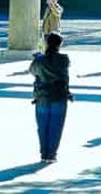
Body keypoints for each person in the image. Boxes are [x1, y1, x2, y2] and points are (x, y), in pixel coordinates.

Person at [30, 32, 73, 163]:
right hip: (59, 96)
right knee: (56, 126)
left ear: (46, 43)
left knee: (42, 127)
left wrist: (38, 57)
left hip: (42, 96)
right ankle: (52, 154)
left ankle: (44, 153)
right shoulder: (64, 59)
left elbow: (33, 71)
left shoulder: (39, 60)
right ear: (60, 45)